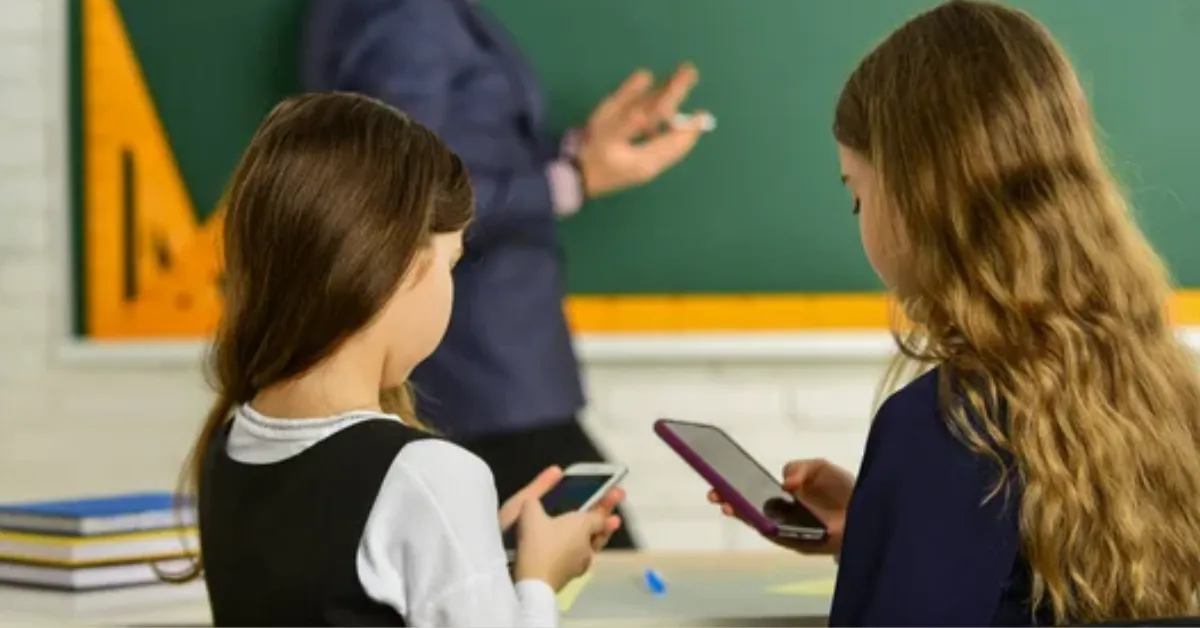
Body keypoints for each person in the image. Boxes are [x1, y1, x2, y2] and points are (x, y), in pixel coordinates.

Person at [710, 1, 1200, 625]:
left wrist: (906, 516)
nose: (862, 223)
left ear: (919, 199)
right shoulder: (1161, 390)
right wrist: (880, 526)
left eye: (858, 196)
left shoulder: (945, 431)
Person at [166, 92, 625, 627]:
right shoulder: (429, 477)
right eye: (452, 262)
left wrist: (468, 544)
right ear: (404, 264)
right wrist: (538, 582)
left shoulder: (230, 447)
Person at [301, 0, 709, 549]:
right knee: (603, 572)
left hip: (492, 376)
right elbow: (404, 193)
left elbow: (452, 154)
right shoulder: (403, 14)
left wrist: (579, 153)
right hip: (478, 375)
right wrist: (572, 179)